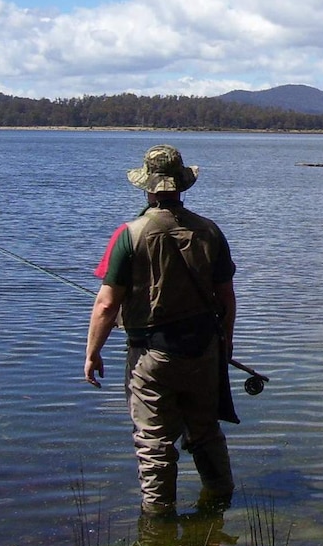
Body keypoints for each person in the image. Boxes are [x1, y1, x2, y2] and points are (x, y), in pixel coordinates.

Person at [84, 144, 238, 517]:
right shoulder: (209, 231)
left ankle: (158, 522)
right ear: (182, 185)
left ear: (147, 187)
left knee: (154, 443)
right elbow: (227, 299)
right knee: (204, 431)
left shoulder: (130, 234)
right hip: (204, 351)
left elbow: (106, 304)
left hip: (152, 356)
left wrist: (92, 353)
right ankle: (220, 502)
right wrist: (225, 345)